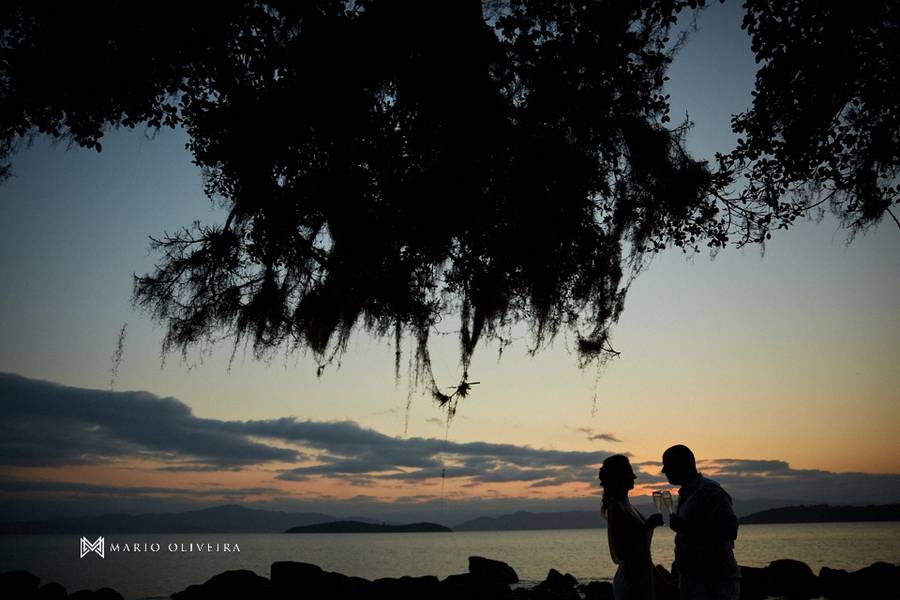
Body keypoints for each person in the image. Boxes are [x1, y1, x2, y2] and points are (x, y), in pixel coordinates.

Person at [661, 444, 740, 600]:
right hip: (694, 584)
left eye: (667, 466)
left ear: (682, 465)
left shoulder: (710, 491)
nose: (664, 471)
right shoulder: (688, 493)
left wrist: (685, 527)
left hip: (715, 585)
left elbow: (730, 530)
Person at [599, 454, 664, 600]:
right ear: (619, 477)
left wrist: (662, 582)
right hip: (631, 584)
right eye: (629, 472)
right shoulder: (616, 508)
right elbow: (621, 553)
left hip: (642, 581)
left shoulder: (628, 506)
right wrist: (648, 526)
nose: (634, 476)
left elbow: (643, 555)